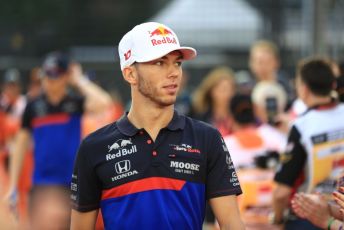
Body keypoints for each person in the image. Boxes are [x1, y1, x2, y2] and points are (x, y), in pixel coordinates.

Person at [70, 22, 244, 230]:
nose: (174, 73)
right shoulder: (94, 147)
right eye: (160, 63)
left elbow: (233, 226)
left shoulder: (207, 138)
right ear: (130, 74)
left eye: (177, 63)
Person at [4, 52, 112, 229]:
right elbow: (20, 146)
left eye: (55, 75)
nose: (49, 80)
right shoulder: (33, 107)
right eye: (46, 74)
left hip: (73, 183)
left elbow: (104, 102)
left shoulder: (75, 103)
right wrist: (13, 185)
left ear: (65, 77)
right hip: (42, 184)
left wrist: (78, 80)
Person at [271, 58, 344, 229]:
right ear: (332, 85)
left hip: (310, 215)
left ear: (303, 89)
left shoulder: (302, 126)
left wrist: (277, 219)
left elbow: (281, 193)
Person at [191, 66, 237, 136]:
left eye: (231, 89)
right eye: (223, 90)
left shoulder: (239, 114)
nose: (228, 94)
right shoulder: (200, 116)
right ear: (211, 91)